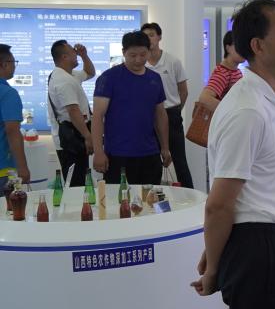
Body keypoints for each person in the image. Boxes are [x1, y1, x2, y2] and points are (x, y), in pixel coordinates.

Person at [190, 0, 275, 309]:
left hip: (267, 241)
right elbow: (219, 204)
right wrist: (213, 268)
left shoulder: (269, 98)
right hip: (261, 249)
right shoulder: (248, 108)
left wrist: (218, 251)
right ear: (258, 45)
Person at [91, 31, 171, 185]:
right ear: (123, 53)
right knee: (118, 198)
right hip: (117, 154)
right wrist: (98, 152)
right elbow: (98, 116)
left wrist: (165, 147)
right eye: (132, 55)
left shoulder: (155, 79)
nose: (138, 60)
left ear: (149, 51)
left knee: (150, 198)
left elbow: (160, 114)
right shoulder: (109, 78)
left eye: (143, 54)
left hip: (149, 153)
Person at [142, 22, 193, 188]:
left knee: (179, 161)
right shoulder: (141, 64)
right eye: (145, 36)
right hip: (148, 117)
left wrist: (176, 110)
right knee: (151, 162)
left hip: (171, 114)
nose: (149, 39)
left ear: (159, 37)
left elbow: (183, 91)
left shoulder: (172, 61)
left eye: (151, 35)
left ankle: (190, 196)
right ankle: (152, 197)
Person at [47, 40, 96, 187]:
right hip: (71, 140)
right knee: (76, 184)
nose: (76, 53)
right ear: (64, 57)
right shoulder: (63, 80)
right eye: (73, 52)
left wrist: (84, 55)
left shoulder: (69, 74)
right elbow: (73, 110)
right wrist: (88, 136)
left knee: (81, 180)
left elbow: (90, 73)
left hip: (75, 136)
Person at [0, 44, 30, 188]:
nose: (14, 66)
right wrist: (22, 168)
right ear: (4, 64)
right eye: (14, 62)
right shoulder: (8, 93)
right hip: (3, 169)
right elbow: (12, 131)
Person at [196, 30, 244, 114]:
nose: (243, 50)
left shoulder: (236, 71)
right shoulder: (223, 73)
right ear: (228, 48)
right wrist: (230, 112)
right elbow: (204, 98)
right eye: (239, 46)